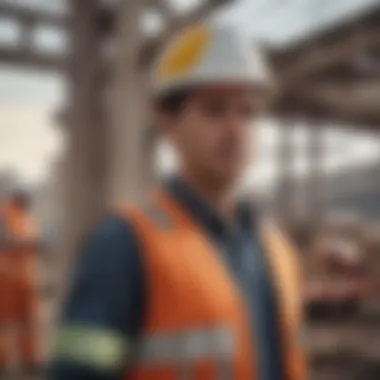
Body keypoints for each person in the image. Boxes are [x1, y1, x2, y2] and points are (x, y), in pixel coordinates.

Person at [49, 23, 307, 380]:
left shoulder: (277, 252)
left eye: (248, 112)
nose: (236, 130)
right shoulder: (122, 247)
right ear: (167, 121)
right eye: (215, 110)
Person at [0, 187, 41, 375]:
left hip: (25, 278)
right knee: (4, 322)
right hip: (6, 277)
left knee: (28, 322)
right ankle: (2, 361)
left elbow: (31, 242)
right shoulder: (4, 215)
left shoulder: (26, 217)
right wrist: (23, 243)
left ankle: (29, 359)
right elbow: (7, 240)